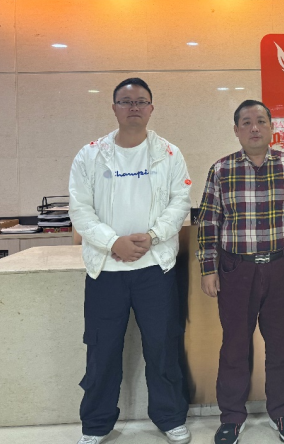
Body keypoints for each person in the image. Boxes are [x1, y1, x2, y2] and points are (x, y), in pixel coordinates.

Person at [69, 77, 192, 444]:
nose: (134, 107)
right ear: (114, 108)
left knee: (163, 346)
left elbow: (180, 203)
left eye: (141, 101)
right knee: (102, 349)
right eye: (126, 101)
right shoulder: (90, 155)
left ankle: (170, 417)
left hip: (155, 268)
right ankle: (95, 425)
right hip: (106, 270)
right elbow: (80, 210)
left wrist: (152, 237)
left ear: (151, 108)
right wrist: (113, 243)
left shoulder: (170, 154)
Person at [197, 100, 284, 444]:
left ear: (272, 127)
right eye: (246, 122)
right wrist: (208, 268)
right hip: (236, 269)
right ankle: (231, 417)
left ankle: (282, 412)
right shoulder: (221, 170)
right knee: (234, 346)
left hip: (281, 267)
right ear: (236, 130)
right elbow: (209, 221)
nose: (254, 128)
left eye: (261, 121)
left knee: (281, 345)